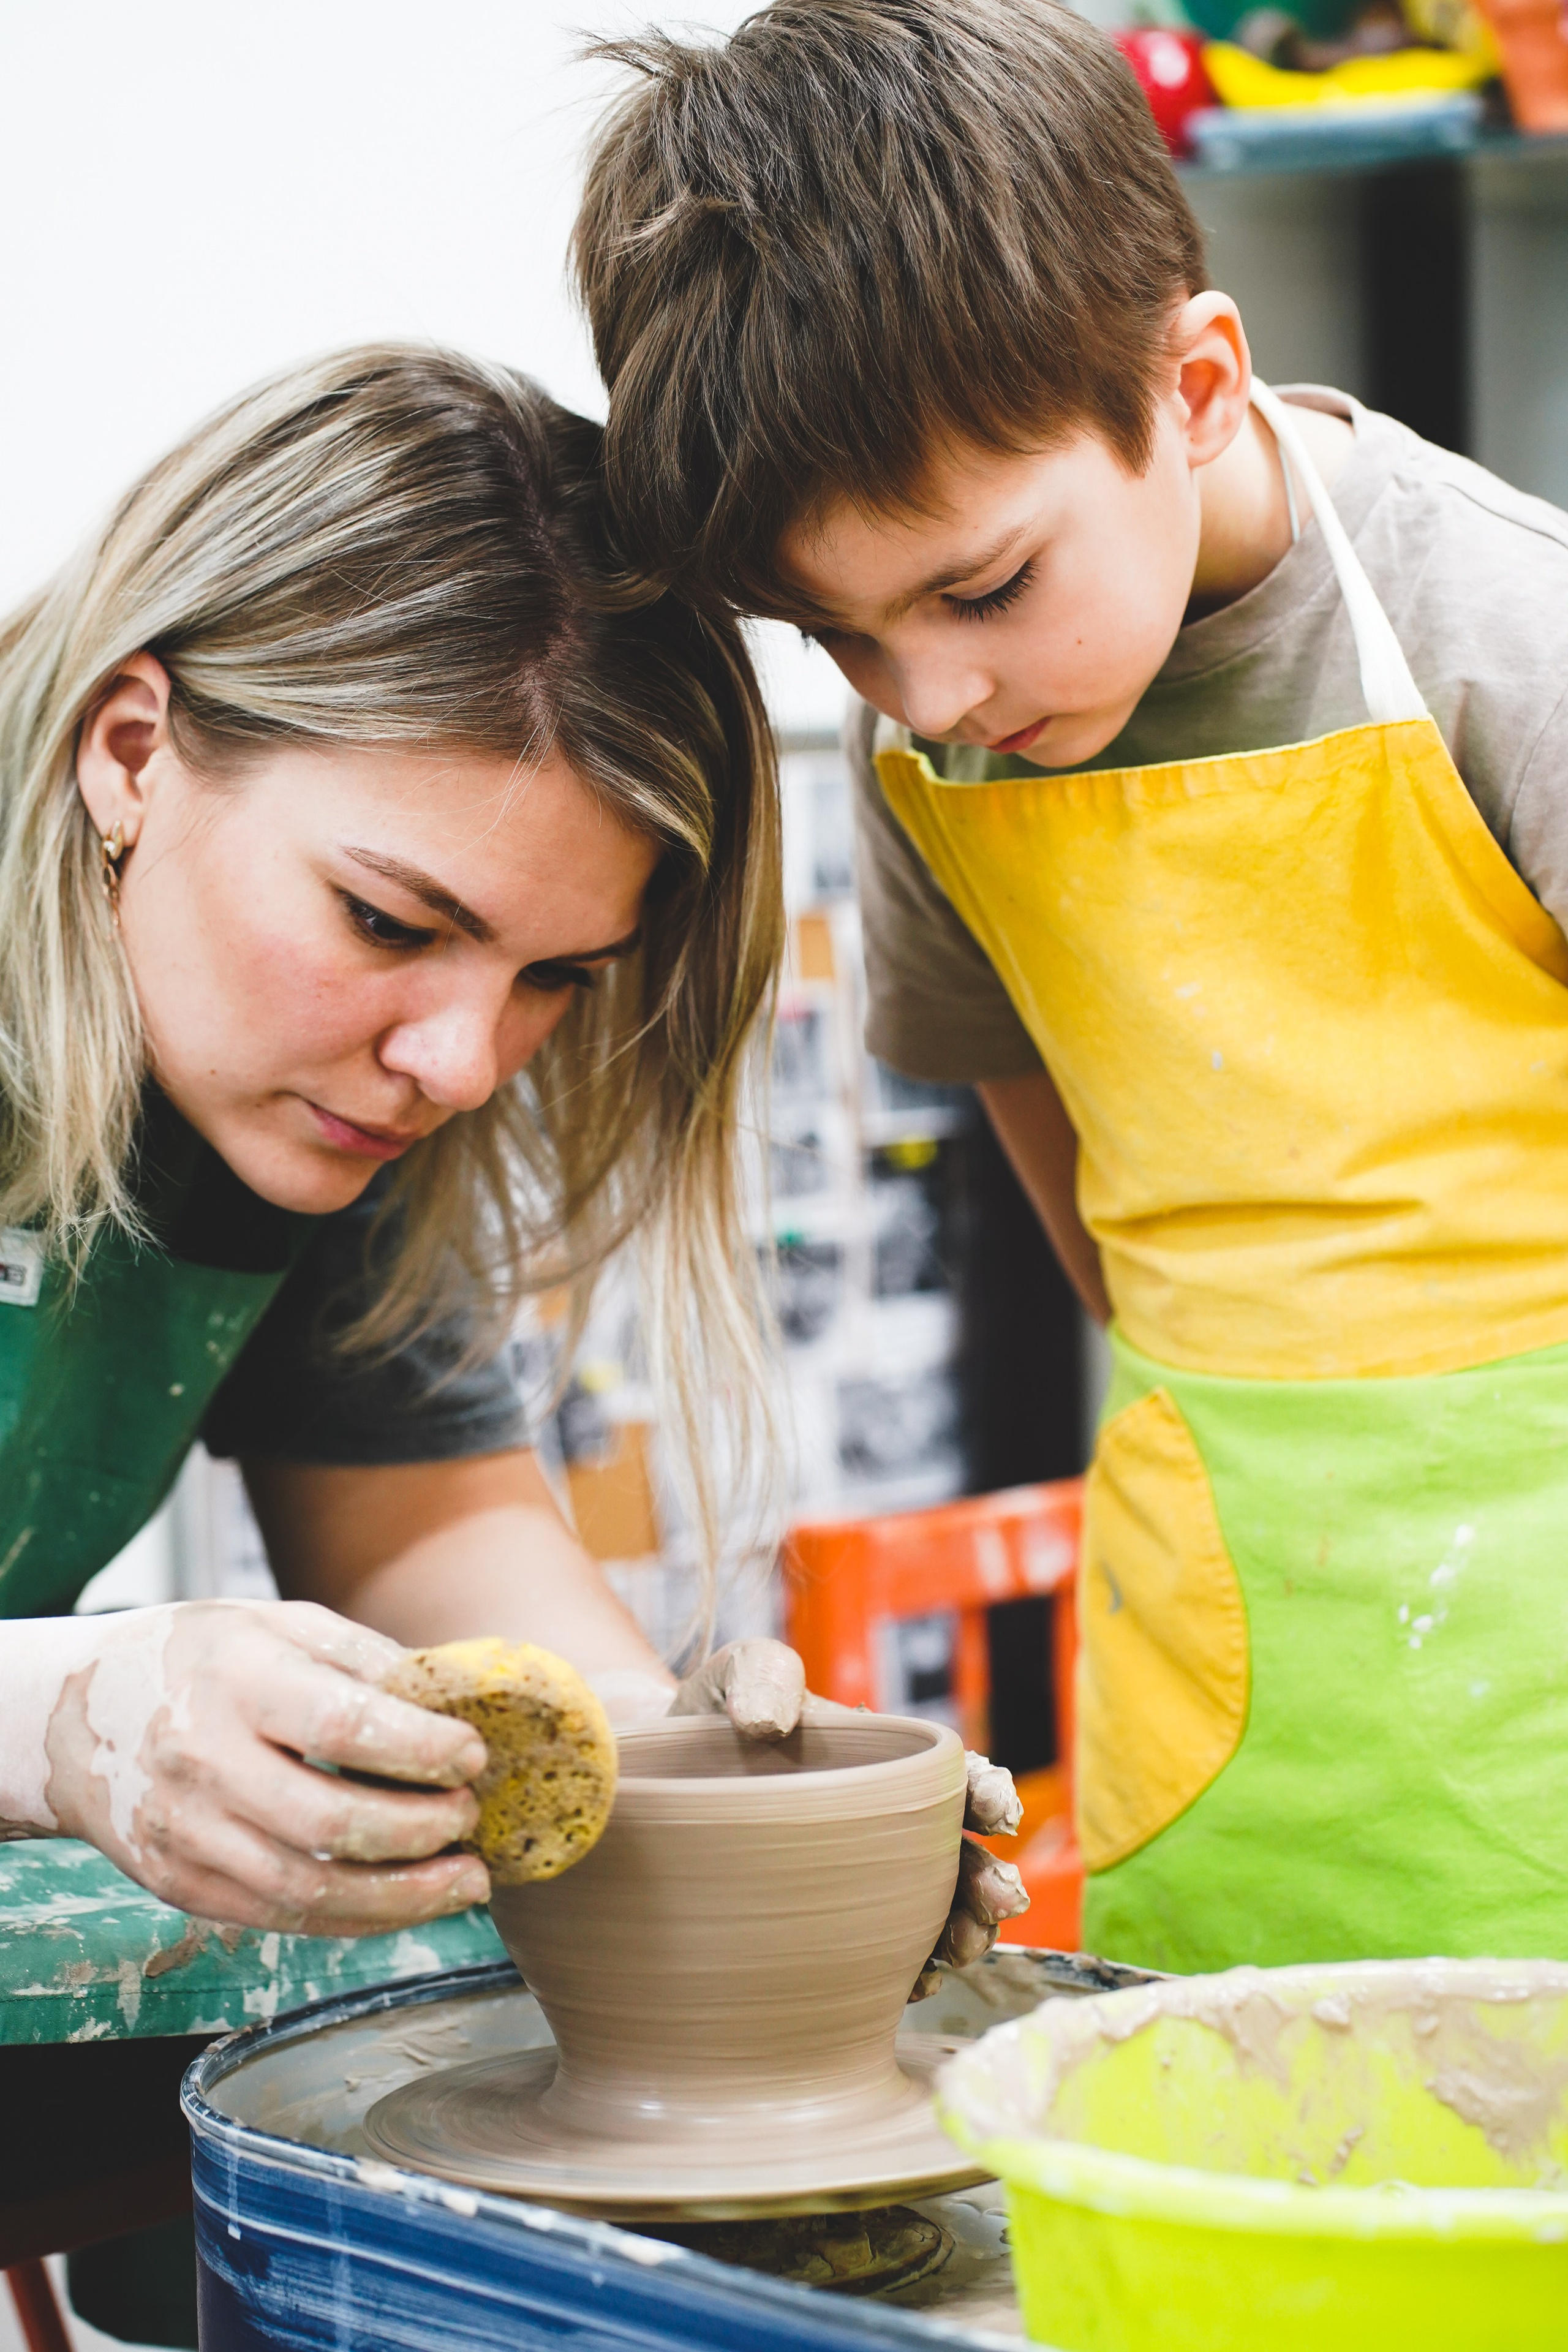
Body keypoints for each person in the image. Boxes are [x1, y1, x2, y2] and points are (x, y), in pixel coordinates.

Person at [0, 342, 1021, 2346]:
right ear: (135, 750)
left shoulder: (299, 1086)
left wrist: (703, 1779)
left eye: (555, 976)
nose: (461, 1060)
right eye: (392, 922)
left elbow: (422, 1515)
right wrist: (69, 1718)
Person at [575, 0, 1568, 1978]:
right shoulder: (939, 759)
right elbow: (1048, 1144)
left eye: (982, 587)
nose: (931, 693)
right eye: (841, 637)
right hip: (1237, 1635)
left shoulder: (1501, 636)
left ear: (1195, 387)